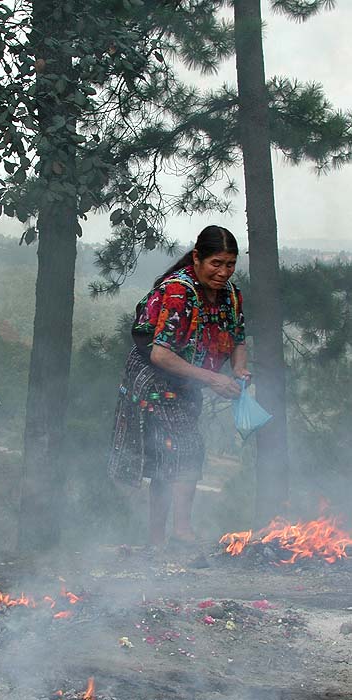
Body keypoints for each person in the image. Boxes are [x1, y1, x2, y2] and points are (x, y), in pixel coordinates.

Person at [108, 225, 250, 547]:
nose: (223, 272)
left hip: (188, 381)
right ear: (197, 258)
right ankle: (179, 532)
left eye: (230, 264)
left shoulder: (231, 296)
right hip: (155, 375)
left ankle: (161, 539)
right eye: (216, 263)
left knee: (169, 456)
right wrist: (213, 378)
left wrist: (239, 369)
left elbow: (238, 338)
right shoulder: (178, 292)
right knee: (184, 448)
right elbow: (160, 354)